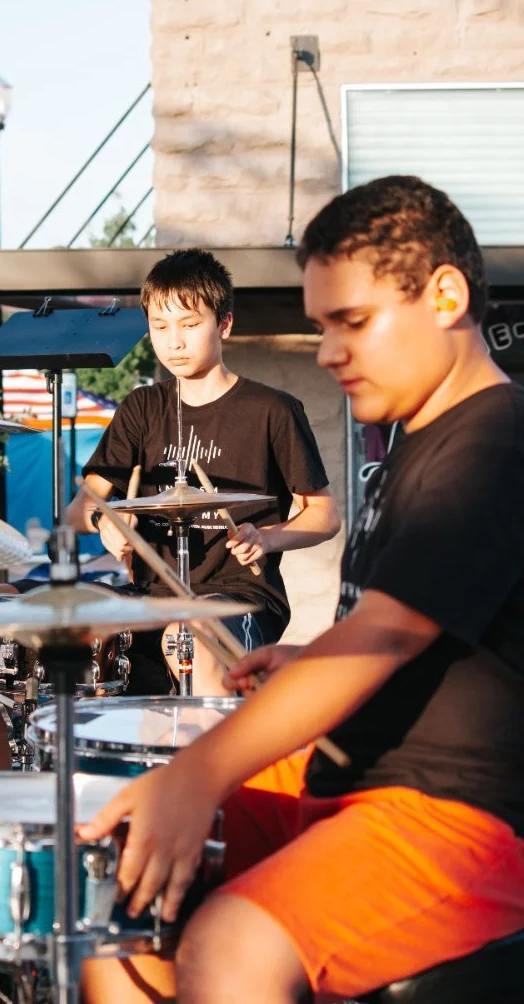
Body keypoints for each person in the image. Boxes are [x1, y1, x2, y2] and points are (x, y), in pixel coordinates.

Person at [77, 175, 524, 1004]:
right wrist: (307, 655)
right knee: (113, 893)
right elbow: (426, 631)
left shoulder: (493, 440)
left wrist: (196, 774)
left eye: (351, 322)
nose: (326, 352)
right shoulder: (418, 440)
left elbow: (386, 635)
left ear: (446, 296)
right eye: (322, 328)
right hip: (352, 769)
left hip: (464, 812)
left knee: (229, 949)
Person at [65, 248, 341, 696]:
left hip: (240, 597)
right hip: (149, 598)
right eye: (159, 327)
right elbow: (79, 510)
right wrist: (104, 522)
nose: (173, 342)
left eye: (190, 326)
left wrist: (266, 537)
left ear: (224, 324)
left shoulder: (272, 410)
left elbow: (325, 516)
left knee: (188, 633)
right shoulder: (141, 408)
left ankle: (214, 761)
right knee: (26, 621)